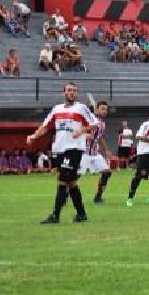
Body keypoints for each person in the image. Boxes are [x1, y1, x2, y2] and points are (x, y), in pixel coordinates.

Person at [27, 82, 99, 224]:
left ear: (76, 93)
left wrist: (82, 130)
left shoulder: (81, 108)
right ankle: (81, 214)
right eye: (69, 90)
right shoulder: (56, 109)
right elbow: (45, 127)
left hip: (74, 148)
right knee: (71, 182)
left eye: (74, 90)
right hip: (59, 148)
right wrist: (34, 136)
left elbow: (95, 123)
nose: (71, 92)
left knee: (62, 179)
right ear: (64, 92)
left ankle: (55, 215)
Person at [78, 101, 115, 204]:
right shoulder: (89, 120)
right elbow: (77, 131)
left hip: (95, 154)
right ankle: (64, 197)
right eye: (102, 109)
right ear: (96, 109)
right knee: (74, 178)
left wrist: (106, 149)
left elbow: (100, 137)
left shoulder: (102, 123)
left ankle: (98, 198)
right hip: (83, 153)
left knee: (107, 173)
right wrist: (86, 135)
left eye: (106, 109)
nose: (105, 111)